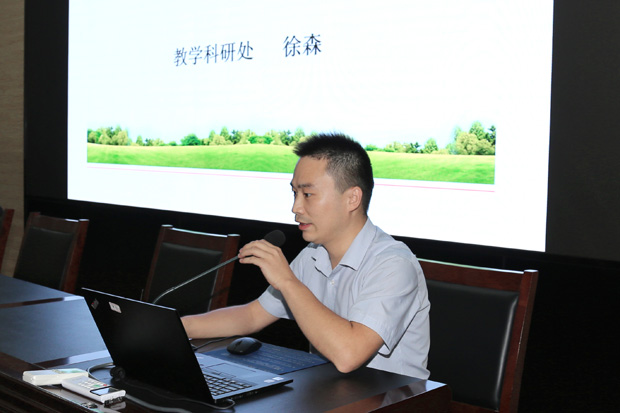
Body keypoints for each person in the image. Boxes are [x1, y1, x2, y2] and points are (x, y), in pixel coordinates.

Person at [182, 133, 430, 378]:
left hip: (395, 396)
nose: (295, 208)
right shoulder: (312, 255)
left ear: (352, 198)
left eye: (307, 194)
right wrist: (177, 327)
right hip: (329, 390)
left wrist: (288, 282)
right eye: (294, 193)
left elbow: (349, 355)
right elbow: (252, 316)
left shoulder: (393, 264)